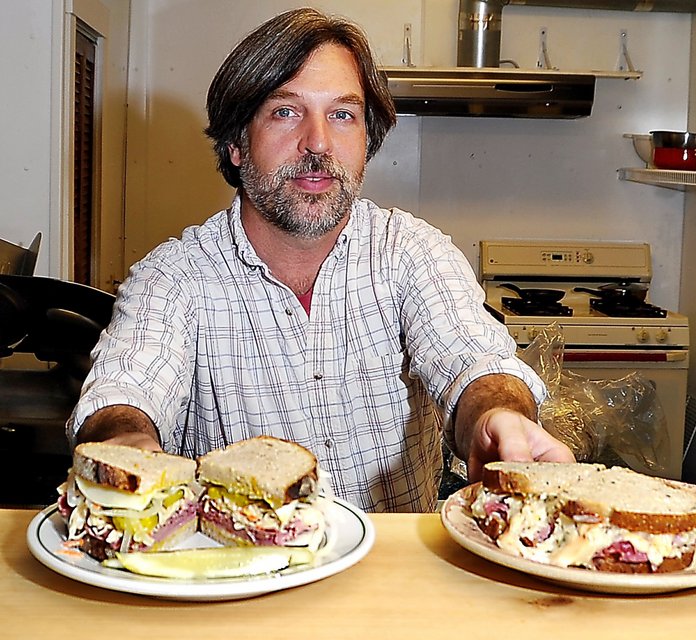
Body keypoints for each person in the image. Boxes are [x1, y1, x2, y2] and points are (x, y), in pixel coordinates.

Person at [68, 7, 574, 512]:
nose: (318, 143)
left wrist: (499, 417)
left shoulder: (411, 252)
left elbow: (476, 362)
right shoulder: (174, 277)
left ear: (366, 140)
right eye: (286, 111)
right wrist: (125, 444)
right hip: (246, 576)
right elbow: (124, 389)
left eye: (342, 114)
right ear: (237, 144)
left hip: (394, 578)